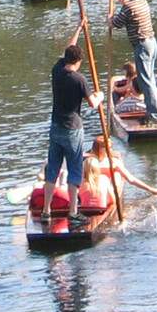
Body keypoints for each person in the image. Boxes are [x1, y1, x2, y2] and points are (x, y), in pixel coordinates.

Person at [43, 40, 102, 227]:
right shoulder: (79, 79)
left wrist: (78, 28)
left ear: (65, 57)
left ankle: (46, 211)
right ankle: (73, 213)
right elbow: (93, 103)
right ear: (78, 61)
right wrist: (100, 96)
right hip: (73, 130)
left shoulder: (56, 71)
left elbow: (68, 46)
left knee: (53, 168)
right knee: (75, 169)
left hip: (55, 127)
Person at [107, 0, 157, 120]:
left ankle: (154, 115)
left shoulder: (128, 8)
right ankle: (153, 110)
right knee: (149, 78)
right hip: (152, 43)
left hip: (142, 46)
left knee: (145, 81)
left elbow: (115, 24)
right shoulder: (142, 2)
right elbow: (125, 1)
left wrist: (110, 18)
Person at [76, 133, 157, 213]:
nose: (110, 149)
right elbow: (131, 179)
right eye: (107, 147)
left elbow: (131, 179)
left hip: (107, 193)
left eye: (110, 147)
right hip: (98, 193)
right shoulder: (102, 162)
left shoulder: (89, 161)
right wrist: (152, 190)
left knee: (116, 174)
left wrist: (151, 189)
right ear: (100, 148)